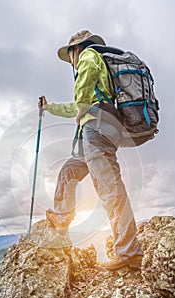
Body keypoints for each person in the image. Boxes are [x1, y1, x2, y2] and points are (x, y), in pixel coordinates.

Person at [39, 30, 144, 270]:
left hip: (98, 128)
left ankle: (129, 252)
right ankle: (61, 219)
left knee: (109, 186)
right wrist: (50, 108)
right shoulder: (94, 67)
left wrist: (83, 107)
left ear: (76, 48)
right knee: (69, 172)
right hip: (99, 128)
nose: (72, 61)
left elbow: (82, 99)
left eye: (71, 55)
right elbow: (77, 107)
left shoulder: (88, 55)